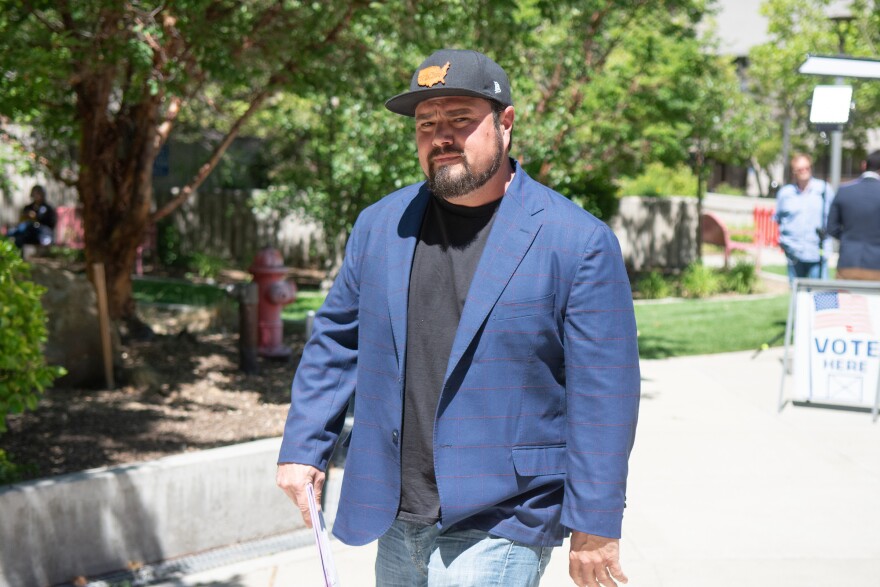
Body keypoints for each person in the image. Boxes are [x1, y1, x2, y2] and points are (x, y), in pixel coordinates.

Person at [276, 49, 640, 587]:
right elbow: (336, 340)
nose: (441, 136)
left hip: (507, 510)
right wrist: (305, 446)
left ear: (506, 124)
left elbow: (604, 393)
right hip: (397, 507)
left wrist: (596, 522)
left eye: (460, 120)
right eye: (427, 124)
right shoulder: (381, 226)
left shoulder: (576, 242)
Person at [774, 153, 834, 283]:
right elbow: (777, 219)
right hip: (794, 253)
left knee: (823, 298)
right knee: (798, 298)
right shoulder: (785, 193)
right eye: (800, 169)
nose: (804, 172)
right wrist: (784, 244)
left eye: (807, 168)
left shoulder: (824, 189)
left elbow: (833, 216)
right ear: (794, 171)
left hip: (818, 252)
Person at [826, 150, 880, 281]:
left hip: (848, 263)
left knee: (846, 301)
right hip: (877, 265)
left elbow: (831, 227)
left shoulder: (844, 190)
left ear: (863, 165)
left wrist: (847, 239)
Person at [7, 185, 56, 249]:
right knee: (20, 235)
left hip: (42, 232)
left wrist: (36, 217)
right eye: (35, 193)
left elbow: (51, 223)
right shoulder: (28, 207)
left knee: (24, 227)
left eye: (39, 193)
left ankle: (12, 232)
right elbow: (22, 220)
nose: (37, 196)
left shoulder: (47, 208)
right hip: (29, 232)